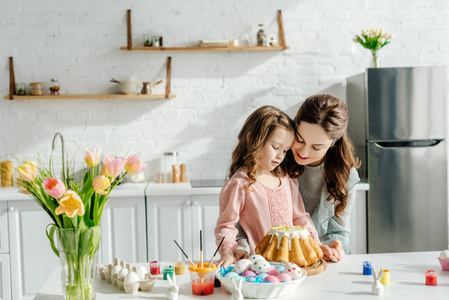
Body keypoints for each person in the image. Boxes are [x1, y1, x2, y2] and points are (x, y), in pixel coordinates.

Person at [235, 94, 360, 263]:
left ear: (333, 143)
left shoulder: (347, 177)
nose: (303, 152)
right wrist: (240, 248)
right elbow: (241, 220)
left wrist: (333, 248)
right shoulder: (274, 162)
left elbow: (338, 233)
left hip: (315, 262)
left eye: (316, 147)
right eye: (299, 140)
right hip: (268, 263)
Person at [214, 105, 320, 267]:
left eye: (285, 150)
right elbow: (226, 226)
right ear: (252, 140)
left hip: (292, 266)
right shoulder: (240, 183)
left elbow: (300, 218)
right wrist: (228, 253)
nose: (280, 155)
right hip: (260, 268)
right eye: (276, 147)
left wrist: (317, 246)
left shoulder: (287, 179)